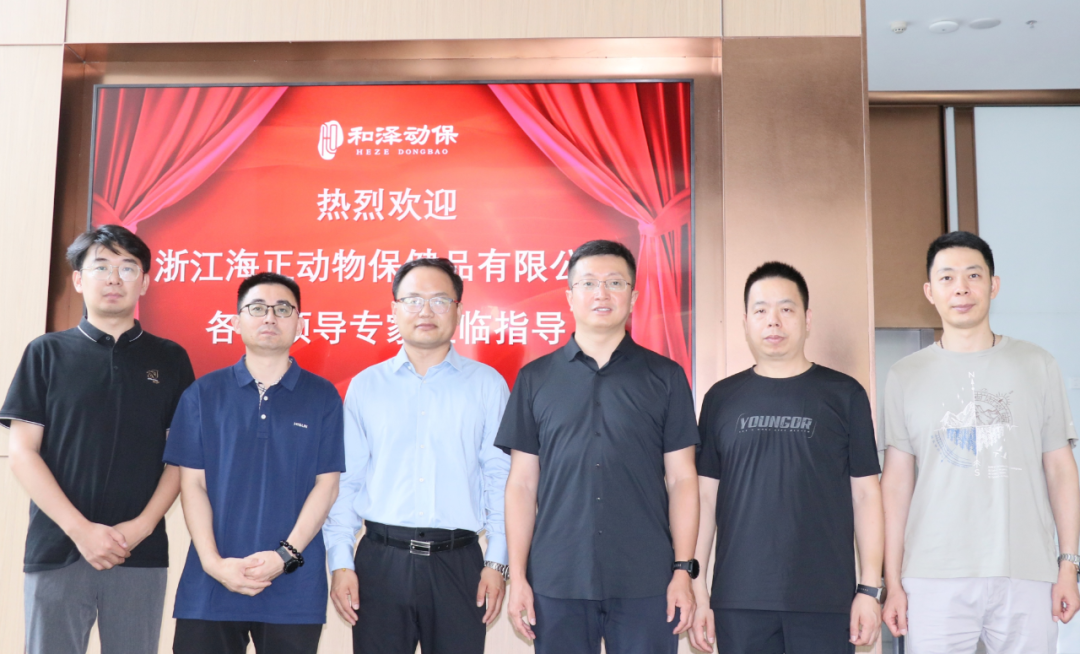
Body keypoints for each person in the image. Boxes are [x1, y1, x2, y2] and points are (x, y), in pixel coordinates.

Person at [497, 239, 700, 654]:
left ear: (634, 297)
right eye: (588, 283)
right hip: (557, 578)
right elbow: (521, 485)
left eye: (615, 282)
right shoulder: (535, 379)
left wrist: (682, 570)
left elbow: (683, 480)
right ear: (569, 296)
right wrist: (518, 576)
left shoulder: (666, 377)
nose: (601, 293)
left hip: (647, 579)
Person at [880, 231, 1080, 654]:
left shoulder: (1037, 365)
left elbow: (1061, 470)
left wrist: (1069, 564)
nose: (961, 288)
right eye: (947, 278)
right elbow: (895, 484)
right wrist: (892, 581)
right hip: (933, 573)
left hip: (1026, 569)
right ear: (929, 291)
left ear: (994, 285)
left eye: (973, 275)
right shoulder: (904, 376)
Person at [1, 225, 195, 654]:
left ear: (144, 282)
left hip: (138, 552)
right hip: (59, 547)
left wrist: (142, 527)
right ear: (78, 279)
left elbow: (180, 457)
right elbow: (23, 452)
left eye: (128, 268)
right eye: (101, 267)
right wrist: (81, 530)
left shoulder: (170, 358)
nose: (114, 278)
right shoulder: (46, 353)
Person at [688, 261, 883, 654]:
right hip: (739, 600)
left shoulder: (845, 394)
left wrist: (869, 588)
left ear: (807, 319)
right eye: (760, 310)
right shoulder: (720, 399)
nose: (773, 321)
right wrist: (698, 590)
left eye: (786, 309)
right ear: (746, 321)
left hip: (825, 600)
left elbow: (866, 495)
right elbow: (704, 499)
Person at [322, 257, 511, 654]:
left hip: (460, 564)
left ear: (459, 310)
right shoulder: (366, 386)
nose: (426, 311)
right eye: (413, 300)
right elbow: (347, 482)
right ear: (395, 309)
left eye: (440, 300)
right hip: (380, 563)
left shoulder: (487, 385)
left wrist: (496, 562)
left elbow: (500, 478)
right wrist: (341, 562)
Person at [164, 272, 344, 654]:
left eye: (283, 309)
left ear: (299, 322)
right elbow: (192, 485)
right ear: (236, 321)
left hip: (293, 587)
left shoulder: (323, 396)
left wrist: (285, 556)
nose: (270, 318)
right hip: (211, 585)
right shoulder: (202, 394)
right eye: (258, 308)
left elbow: (326, 486)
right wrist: (213, 564)